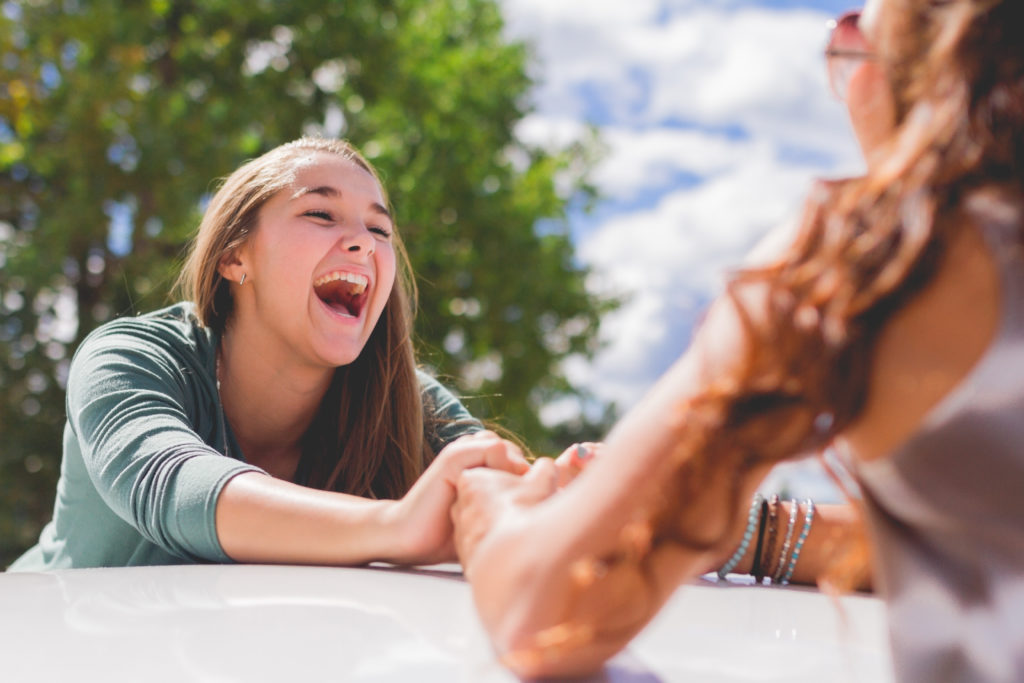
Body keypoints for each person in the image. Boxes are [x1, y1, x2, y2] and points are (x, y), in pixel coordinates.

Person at [451, 0, 1023, 680]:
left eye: (850, 39)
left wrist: (488, 504)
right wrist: (752, 531)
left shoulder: (874, 256)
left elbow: (546, 614)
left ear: (891, 68)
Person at [8, 137, 532, 571]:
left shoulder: (408, 399)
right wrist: (395, 526)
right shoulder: (128, 358)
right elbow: (173, 484)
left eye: (379, 228)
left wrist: (574, 491)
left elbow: (512, 503)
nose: (364, 244)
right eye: (321, 213)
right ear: (235, 257)